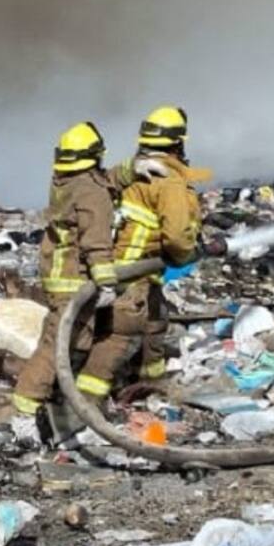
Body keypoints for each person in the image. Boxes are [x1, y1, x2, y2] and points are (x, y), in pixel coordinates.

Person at [77, 106, 210, 399]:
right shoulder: (169, 181)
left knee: (156, 320)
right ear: (179, 142)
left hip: (129, 270)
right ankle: (82, 405)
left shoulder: (131, 171)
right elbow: (176, 237)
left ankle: (151, 386)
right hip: (129, 275)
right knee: (118, 337)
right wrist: (188, 253)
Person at [12, 122, 124, 417]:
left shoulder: (65, 182)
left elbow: (105, 180)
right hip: (75, 280)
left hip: (57, 274)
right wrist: (107, 283)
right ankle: (26, 407)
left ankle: (53, 398)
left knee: (70, 339)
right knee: (56, 346)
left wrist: (133, 168)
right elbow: (95, 241)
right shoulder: (91, 193)